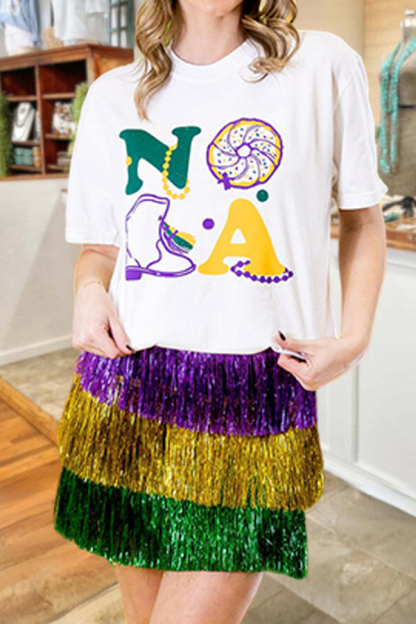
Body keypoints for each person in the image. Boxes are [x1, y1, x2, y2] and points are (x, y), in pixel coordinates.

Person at [52, 0, 388, 623]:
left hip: (253, 397)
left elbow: (364, 219)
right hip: (131, 388)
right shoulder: (114, 95)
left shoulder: (321, 67)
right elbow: (100, 251)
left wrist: (355, 338)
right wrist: (88, 292)